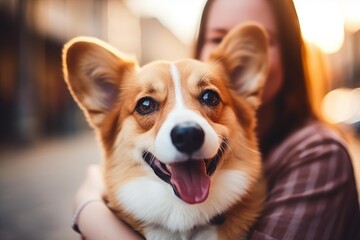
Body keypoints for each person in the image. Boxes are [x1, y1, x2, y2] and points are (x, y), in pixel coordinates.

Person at [72, 0, 360, 239]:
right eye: (146, 105)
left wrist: (89, 210)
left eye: (209, 98)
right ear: (199, 46)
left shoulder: (320, 153)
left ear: (291, 50)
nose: (185, 128)